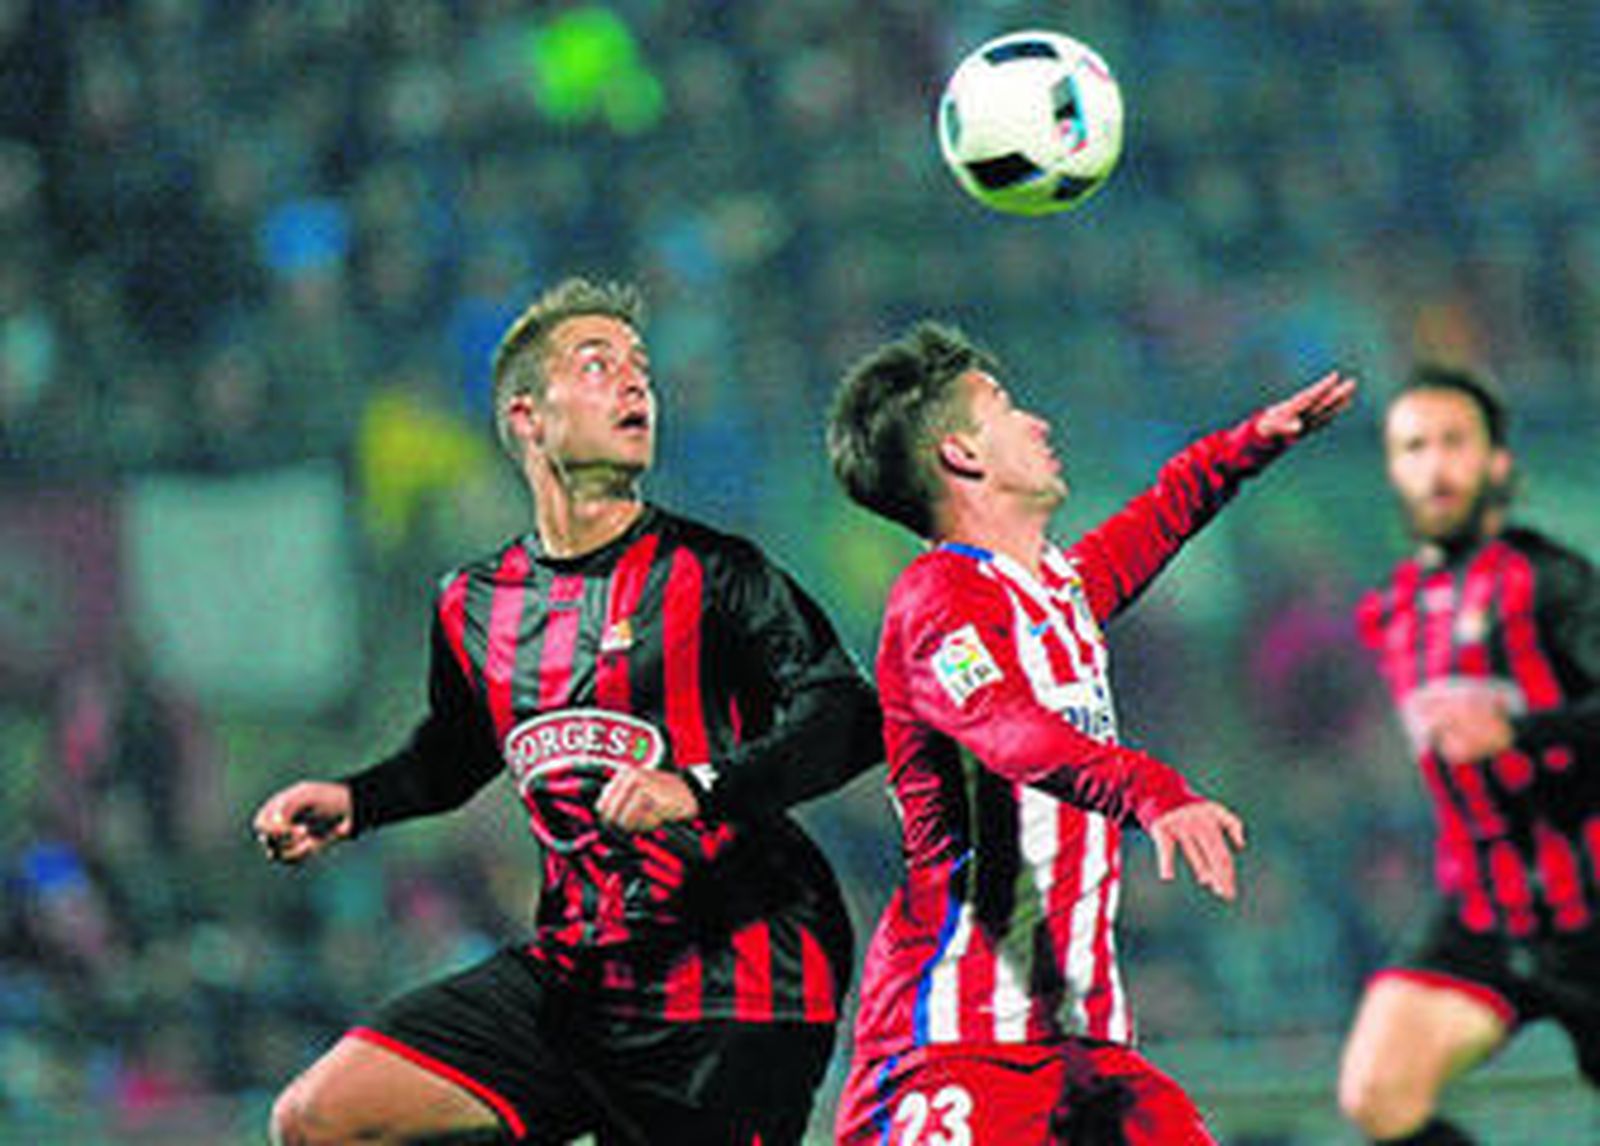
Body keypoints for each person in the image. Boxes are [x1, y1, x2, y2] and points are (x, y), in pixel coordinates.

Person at [251, 276, 882, 1145]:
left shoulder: (716, 571)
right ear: (526, 417)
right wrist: (359, 802)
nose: (635, 385)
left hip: (740, 974)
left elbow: (848, 712)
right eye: (598, 366)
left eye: (641, 369)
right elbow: (458, 754)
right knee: (322, 1119)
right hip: (579, 973)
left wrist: (696, 787)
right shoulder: (472, 602)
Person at [824, 320, 1356, 1144]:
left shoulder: (1057, 592)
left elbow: (1163, 515)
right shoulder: (936, 603)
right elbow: (1008, 732)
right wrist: (1153, 791)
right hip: (960, 1041)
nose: (1038, 423)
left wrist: (1246, 446)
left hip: (1088, 1051)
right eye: (1004, 407)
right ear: (961, 455)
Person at [1336, 365, 1600, 1145]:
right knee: (1376, 1093)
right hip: (1484, 910)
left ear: (1498, 462)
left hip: (1593, 906)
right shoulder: (1390, 611)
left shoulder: (1551, 582)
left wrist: (1521, 732)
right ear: (1392, 468)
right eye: (1415, 446)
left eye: (1456, 442)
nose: (1436, 465)